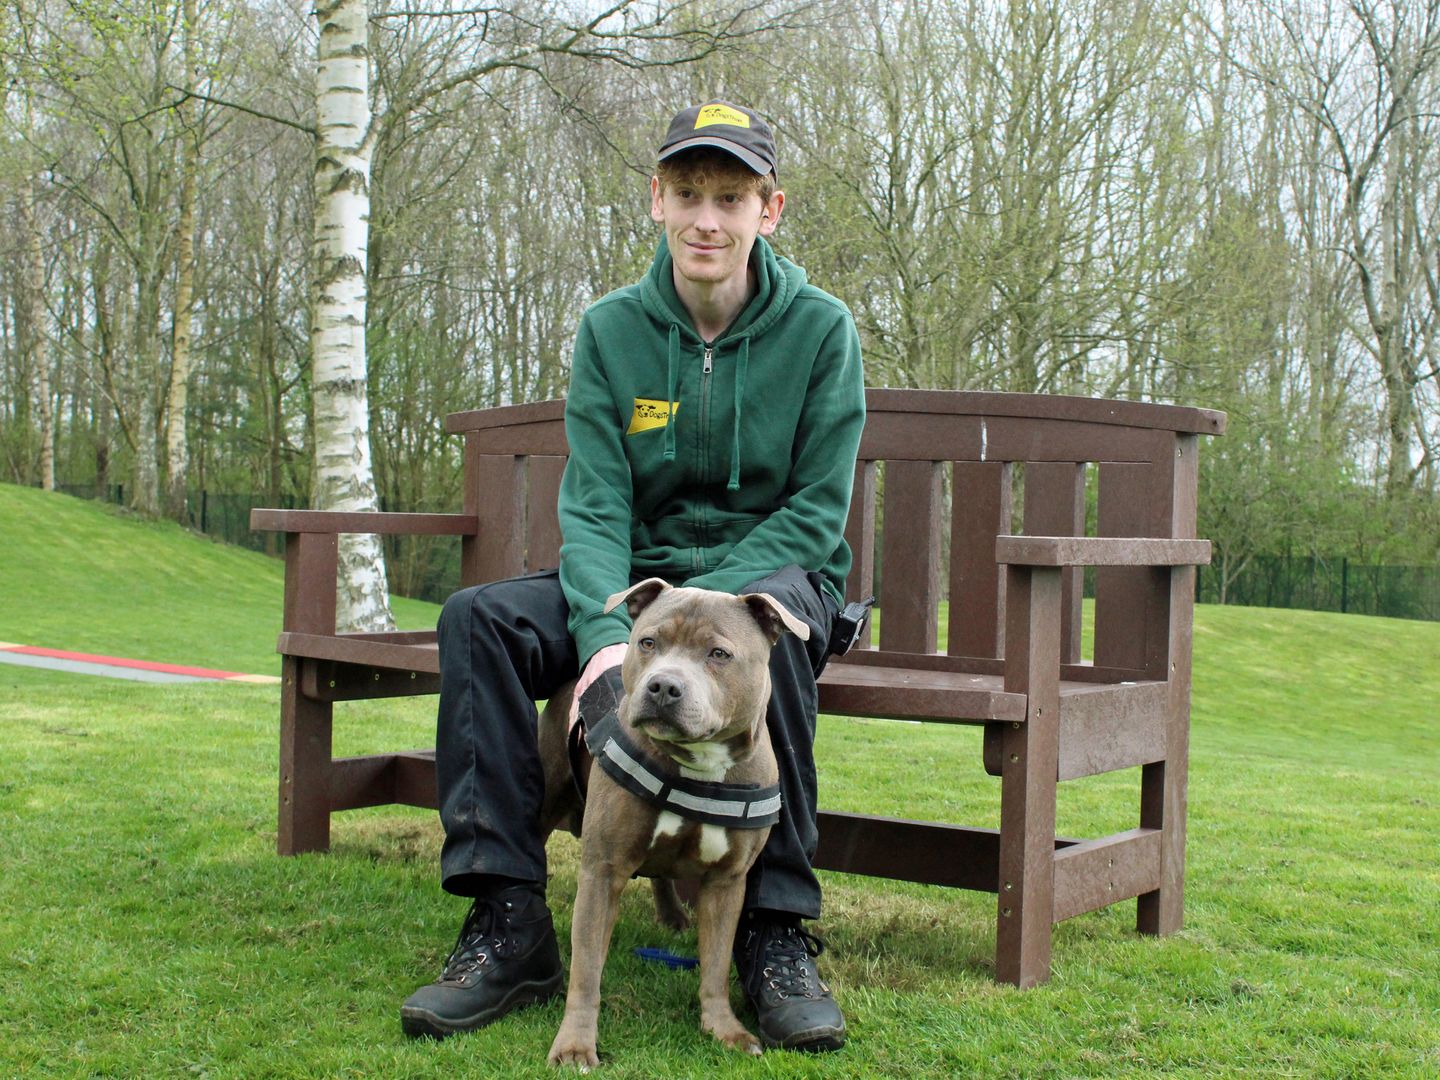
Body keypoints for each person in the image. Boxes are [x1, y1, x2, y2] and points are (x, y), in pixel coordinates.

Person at [400, 100, 866, 1054]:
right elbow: (598, 505)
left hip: (779, 571)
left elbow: (818, 511)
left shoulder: (822, 332)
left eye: (730, 197)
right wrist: (607, 639)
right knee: (478, 618)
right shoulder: (612, 331)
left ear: (768, 211)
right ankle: (508, 918)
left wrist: (708, 618)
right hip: (635, 589)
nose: (707, 217)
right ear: (656, 199)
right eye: (688, 193)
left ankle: (773, 931)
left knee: (764, 650)